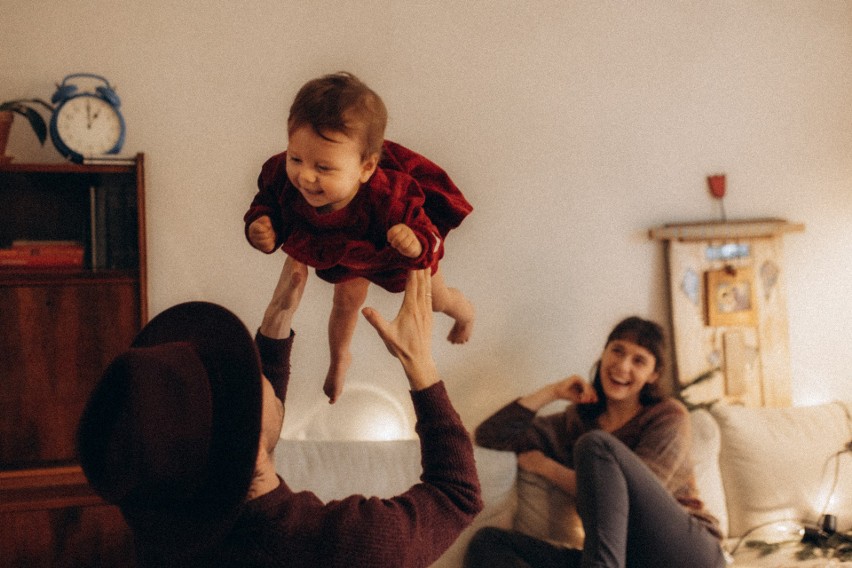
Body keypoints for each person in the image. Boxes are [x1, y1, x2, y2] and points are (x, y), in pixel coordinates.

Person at [76, 260, 483, 568]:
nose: (259, 373)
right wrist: (420, 364)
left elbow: (249, 428)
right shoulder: (349, 545)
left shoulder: (165, 535)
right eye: (251, 377)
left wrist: (277, 321)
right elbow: (458, 494)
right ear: (249, 440)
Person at [244, 71, 475, 403]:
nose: (305, 176)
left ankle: (465, 314)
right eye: (297, 158)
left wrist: (414, 241)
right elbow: (268, 201)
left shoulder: (390, 193)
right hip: (348, 254)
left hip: (394, 254)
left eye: (324, 168)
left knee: (436, 300)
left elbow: (425, 231)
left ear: (366, 168)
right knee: (345, 304)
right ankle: (340, 359)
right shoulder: (284, 174)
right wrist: (261, 225)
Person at [463, 317, 726, 568]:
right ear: (604, 354)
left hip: (687, 551)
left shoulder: (668, 416)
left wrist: (548, 469)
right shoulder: (576, 421)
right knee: (488, 543)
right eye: (617, 351)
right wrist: (552, 393)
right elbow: (490, 435)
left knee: (595, 445)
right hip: (620, 559)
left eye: (639, 361)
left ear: (653, 375)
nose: (623, 366)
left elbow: (630, 500)